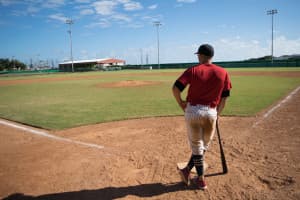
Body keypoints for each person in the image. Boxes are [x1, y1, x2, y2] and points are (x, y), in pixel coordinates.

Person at [172, 44, 232, 190]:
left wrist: (181, 103)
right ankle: (187, 171)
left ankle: (200, 180)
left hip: (193, 111)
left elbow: (175, 88)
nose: (197, 57)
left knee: (197, 147)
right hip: (211, 112)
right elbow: (224, 98)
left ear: (202, 55)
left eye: (198, 54)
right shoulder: (223, 72)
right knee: (203, 146)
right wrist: (218, 114)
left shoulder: (193, 70)